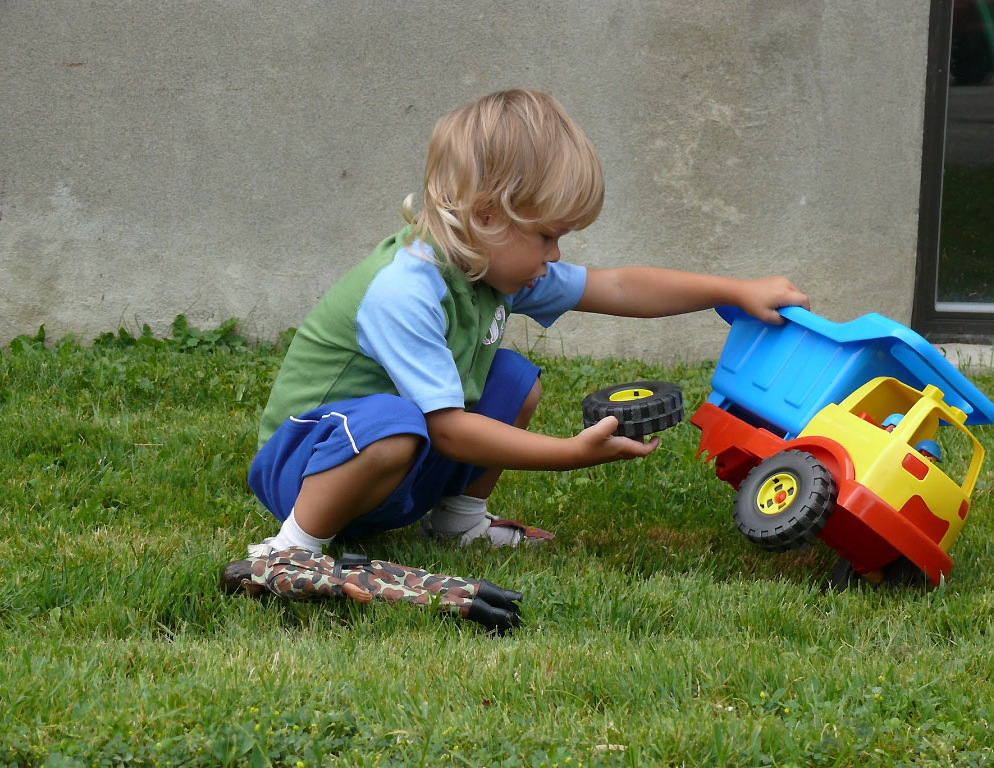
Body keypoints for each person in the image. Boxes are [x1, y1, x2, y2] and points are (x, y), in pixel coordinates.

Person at [224, 88, 809, 581]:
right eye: (548, 236)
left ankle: (459, 520)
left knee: (512, 380)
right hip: (307, 465)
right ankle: (291, 548)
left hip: (392, 460)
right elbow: (446, 429)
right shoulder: (404, 291)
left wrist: (734, 291)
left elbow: (619, 287)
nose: (556, 255)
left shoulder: (488, 264)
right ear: (485, 216)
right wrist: (570, 454)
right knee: (402, 425)